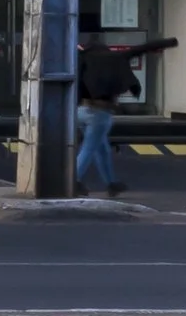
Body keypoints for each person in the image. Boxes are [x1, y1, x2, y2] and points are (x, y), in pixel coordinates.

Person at [75, 25, 174, 195]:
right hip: (101, 111)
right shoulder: (115, 58)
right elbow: (142, 48)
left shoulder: (82, 58)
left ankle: (112, 183)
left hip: (81, 110)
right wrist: (169, 42)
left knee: (101, 148)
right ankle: (74, 180)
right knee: (90, 147)